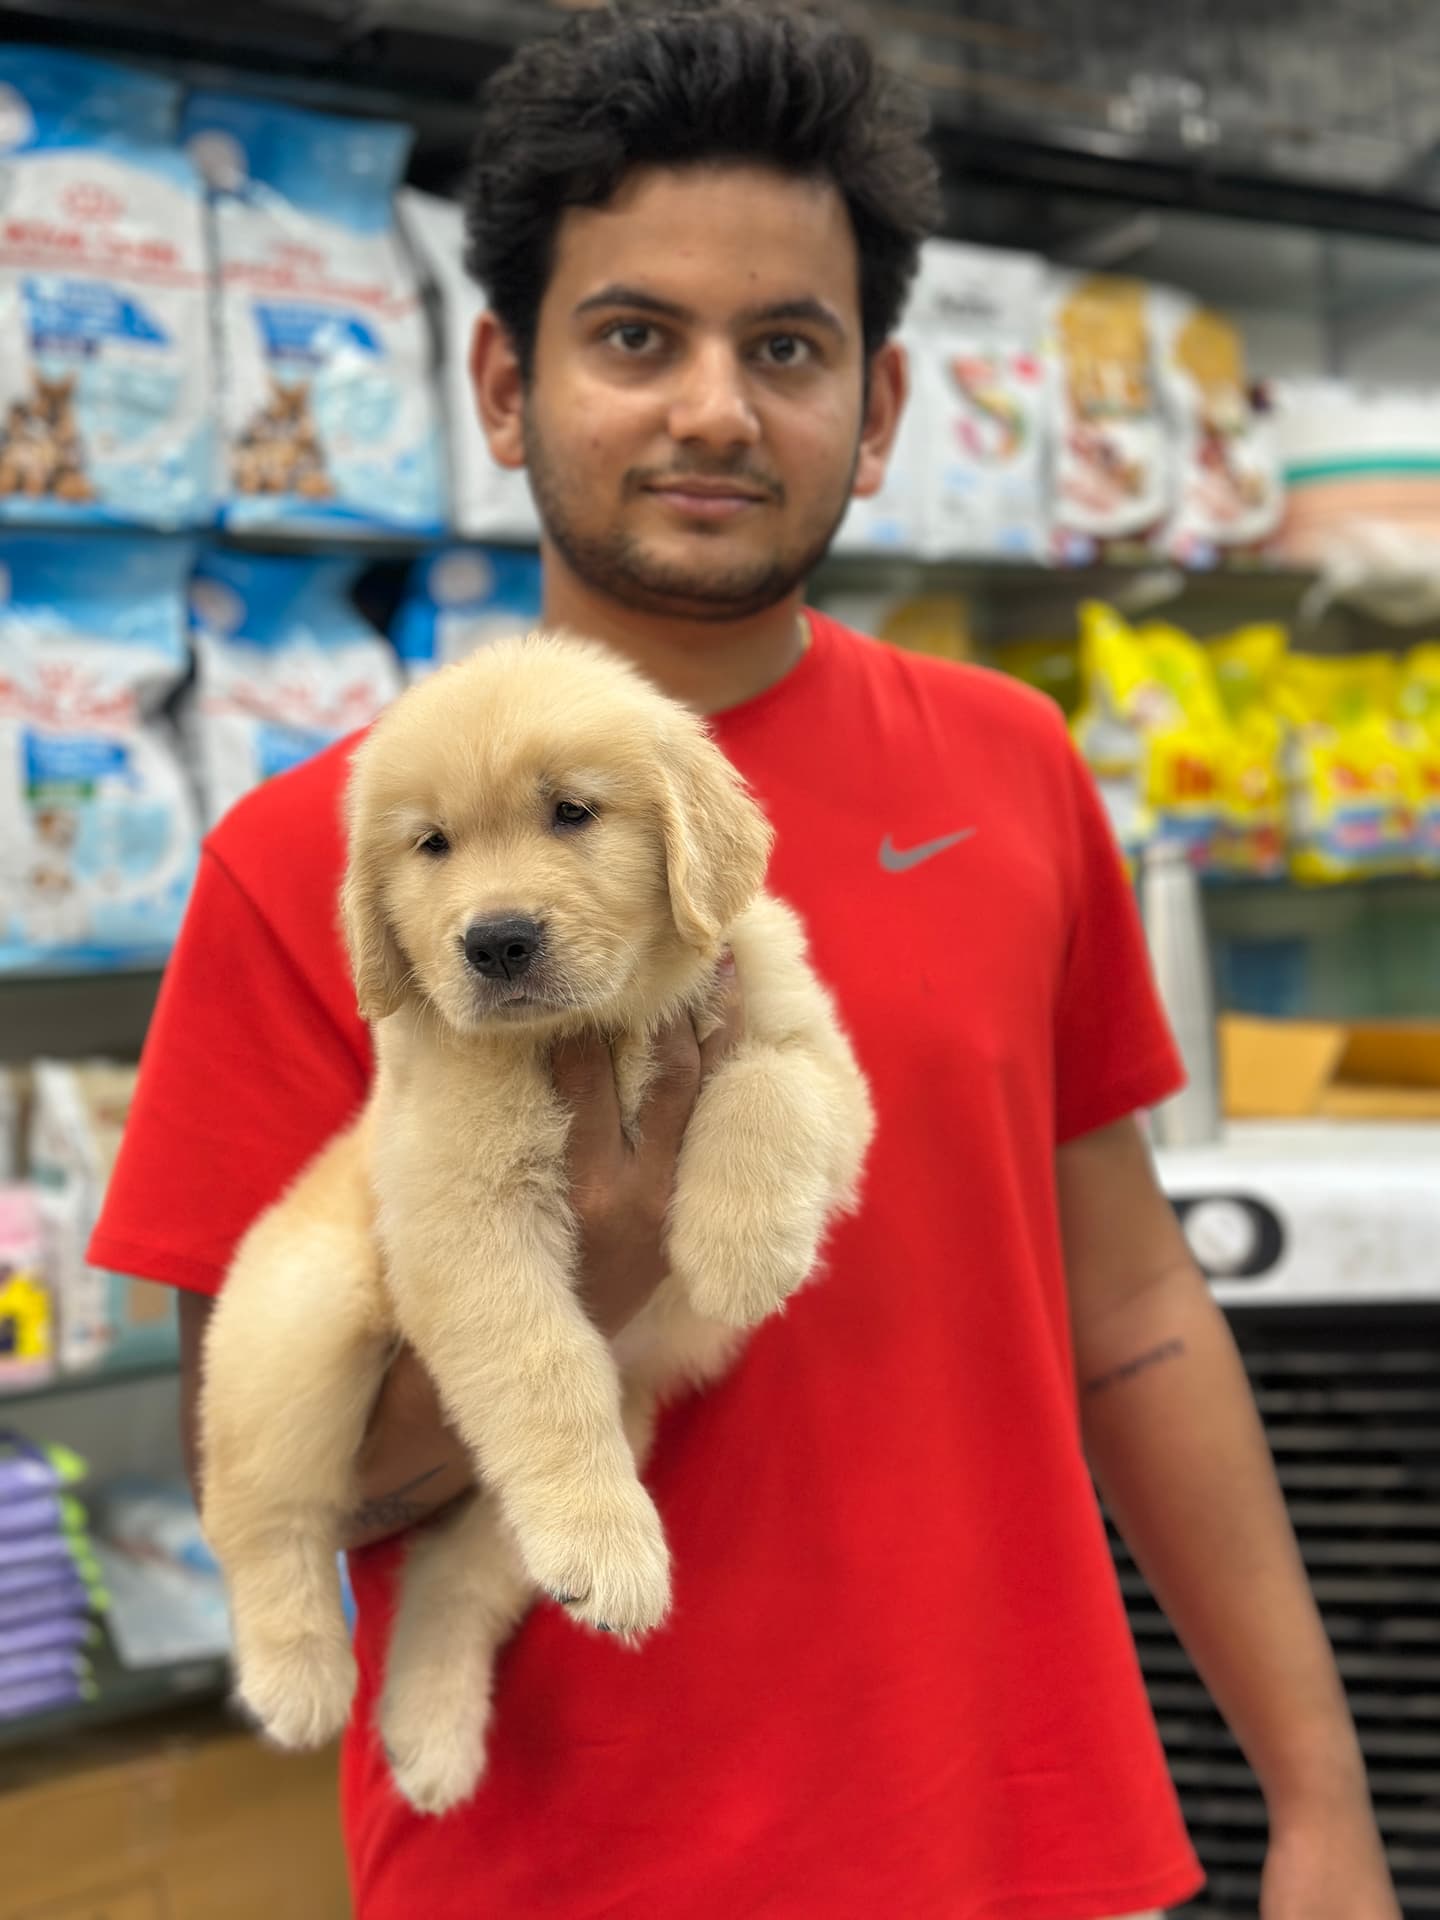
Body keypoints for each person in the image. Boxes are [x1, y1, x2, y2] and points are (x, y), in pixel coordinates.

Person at [90, 5, 1400, 1917]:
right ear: (502, 386)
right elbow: (273, 1476)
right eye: (634, 337)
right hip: (558, 1873)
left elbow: (1135, 1323)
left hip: (1035, 1836)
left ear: (873, 415)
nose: (713, 407)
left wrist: (1319, 1800)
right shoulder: (315, 861)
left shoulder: (1010, 766)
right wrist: (601, 1243)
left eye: (784, 349)